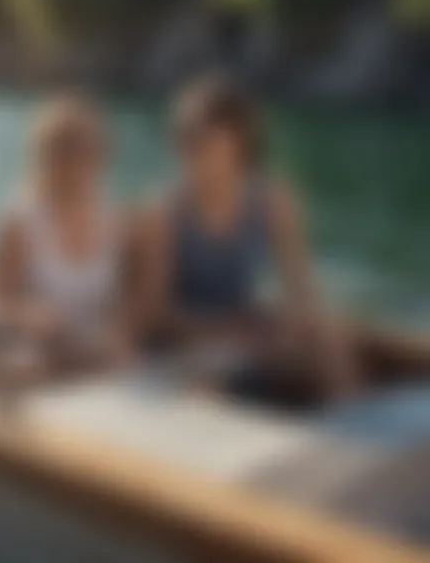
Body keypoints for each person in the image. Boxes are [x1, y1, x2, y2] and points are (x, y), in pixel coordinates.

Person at [134, 75, 357, 405]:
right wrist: (226, 329)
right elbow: (155, 315)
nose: (188, 146)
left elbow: (303, 290)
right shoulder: (164, 212)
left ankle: (356, 433)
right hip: (187, 339)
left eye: (201, 136)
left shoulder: (272, 202)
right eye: (182, 136)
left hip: (245, 329)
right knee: (210, 376)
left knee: (329, 337)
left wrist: (296, 328)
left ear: (238, 140)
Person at [0, 94, 132, 383]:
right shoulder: (18, 221)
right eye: (65, 150)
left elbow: (124, 301)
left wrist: (118, 330)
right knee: (25, 367)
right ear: (44, 155)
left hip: (92, 352)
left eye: (87, 151)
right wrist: (28, 315)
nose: (77, 162)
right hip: (33, 352)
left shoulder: (114, 219)